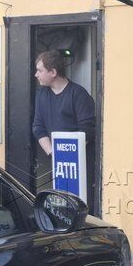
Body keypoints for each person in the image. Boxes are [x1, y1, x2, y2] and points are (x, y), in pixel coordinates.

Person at [31, 50, 96, 204]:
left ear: (53, 72)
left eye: (40, 70)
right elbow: (38, 127)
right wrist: (54, 153)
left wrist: (67, 154)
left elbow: (88, 130)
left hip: (82, 166)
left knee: (81, 205)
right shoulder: (41, 95)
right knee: (61, 207)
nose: (36, 74)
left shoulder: (79, 94)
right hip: (57, 164)